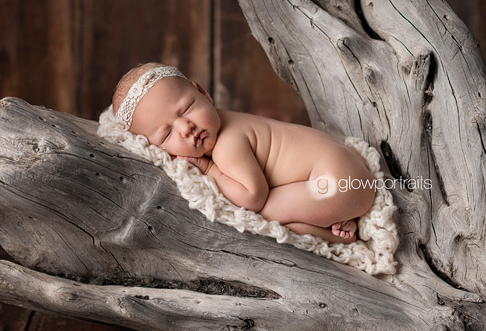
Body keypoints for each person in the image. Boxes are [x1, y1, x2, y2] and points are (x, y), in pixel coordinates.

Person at [112, 63, 376, 244]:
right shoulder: (224, 120)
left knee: (267, 212)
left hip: (337, 183)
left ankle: (338, 236)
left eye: (186, 109)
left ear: (203, 92)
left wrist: (209, 170)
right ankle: (342, 214)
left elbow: (252, 197)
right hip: (345, 172)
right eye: (167, 134)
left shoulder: (227, 143)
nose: (186, 127)